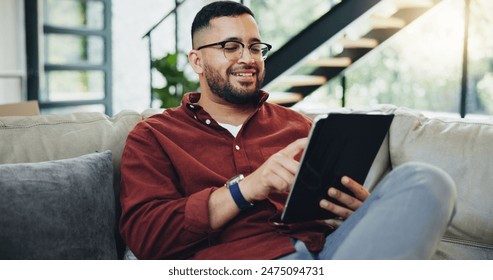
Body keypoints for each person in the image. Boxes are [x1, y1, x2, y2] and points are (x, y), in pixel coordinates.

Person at [119, 0, 456, 260]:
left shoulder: (300, 126)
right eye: (231, 46)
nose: (248, 58)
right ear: (197, 62)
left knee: (427, 180)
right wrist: (246, 189)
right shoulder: (153, 136)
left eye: (254, 47)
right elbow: (146, 236)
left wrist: (362, 213)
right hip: (236, 262)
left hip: (329, 253)